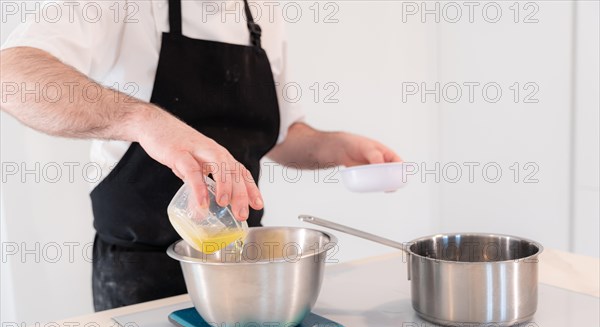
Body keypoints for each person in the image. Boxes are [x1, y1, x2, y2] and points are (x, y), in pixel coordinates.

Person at [0, 0, 401, 311]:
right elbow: (12, 74)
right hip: (139, 271)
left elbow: (282, 135)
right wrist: (144, 121)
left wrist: (335, 147)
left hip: (240, 259)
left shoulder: (260, 12)